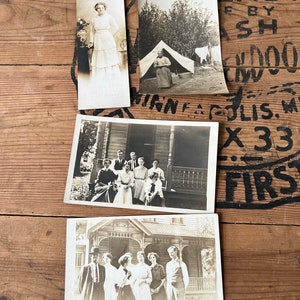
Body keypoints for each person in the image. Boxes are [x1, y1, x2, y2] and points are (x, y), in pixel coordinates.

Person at [89, 2, 121, 97]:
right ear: (96, 10)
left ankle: (111, 77)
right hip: (98, 39)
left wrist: (109, 34)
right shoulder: (94, 19)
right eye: (98, 8)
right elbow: (91, 31)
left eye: (102, 8)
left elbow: (116, 27)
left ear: (105, 8)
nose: (100, 9)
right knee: (100, 56)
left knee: (109, 55)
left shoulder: (109, 17)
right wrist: (91, 41)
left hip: (107, 38)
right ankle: (101, 79)